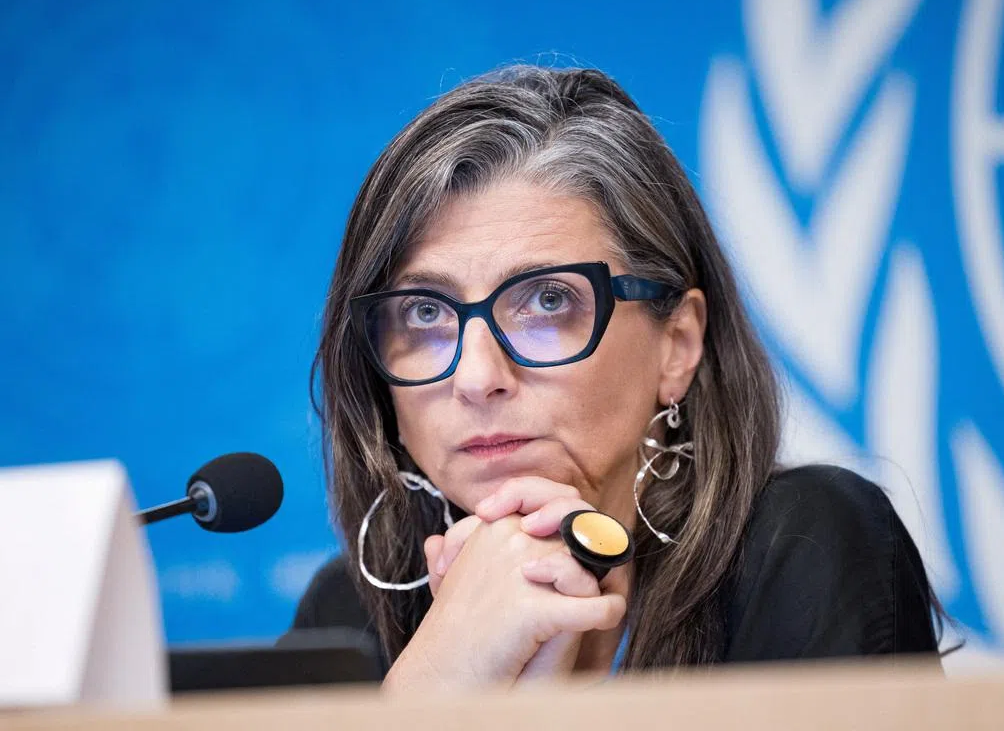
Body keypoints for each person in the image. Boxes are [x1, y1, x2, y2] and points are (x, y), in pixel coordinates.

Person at [292, 65, 941, 689]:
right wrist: (440, 676)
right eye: (426, 312)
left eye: (548, 302)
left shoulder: (805, 545)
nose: (477, 376)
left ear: (677, 347)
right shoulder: (346, 614)